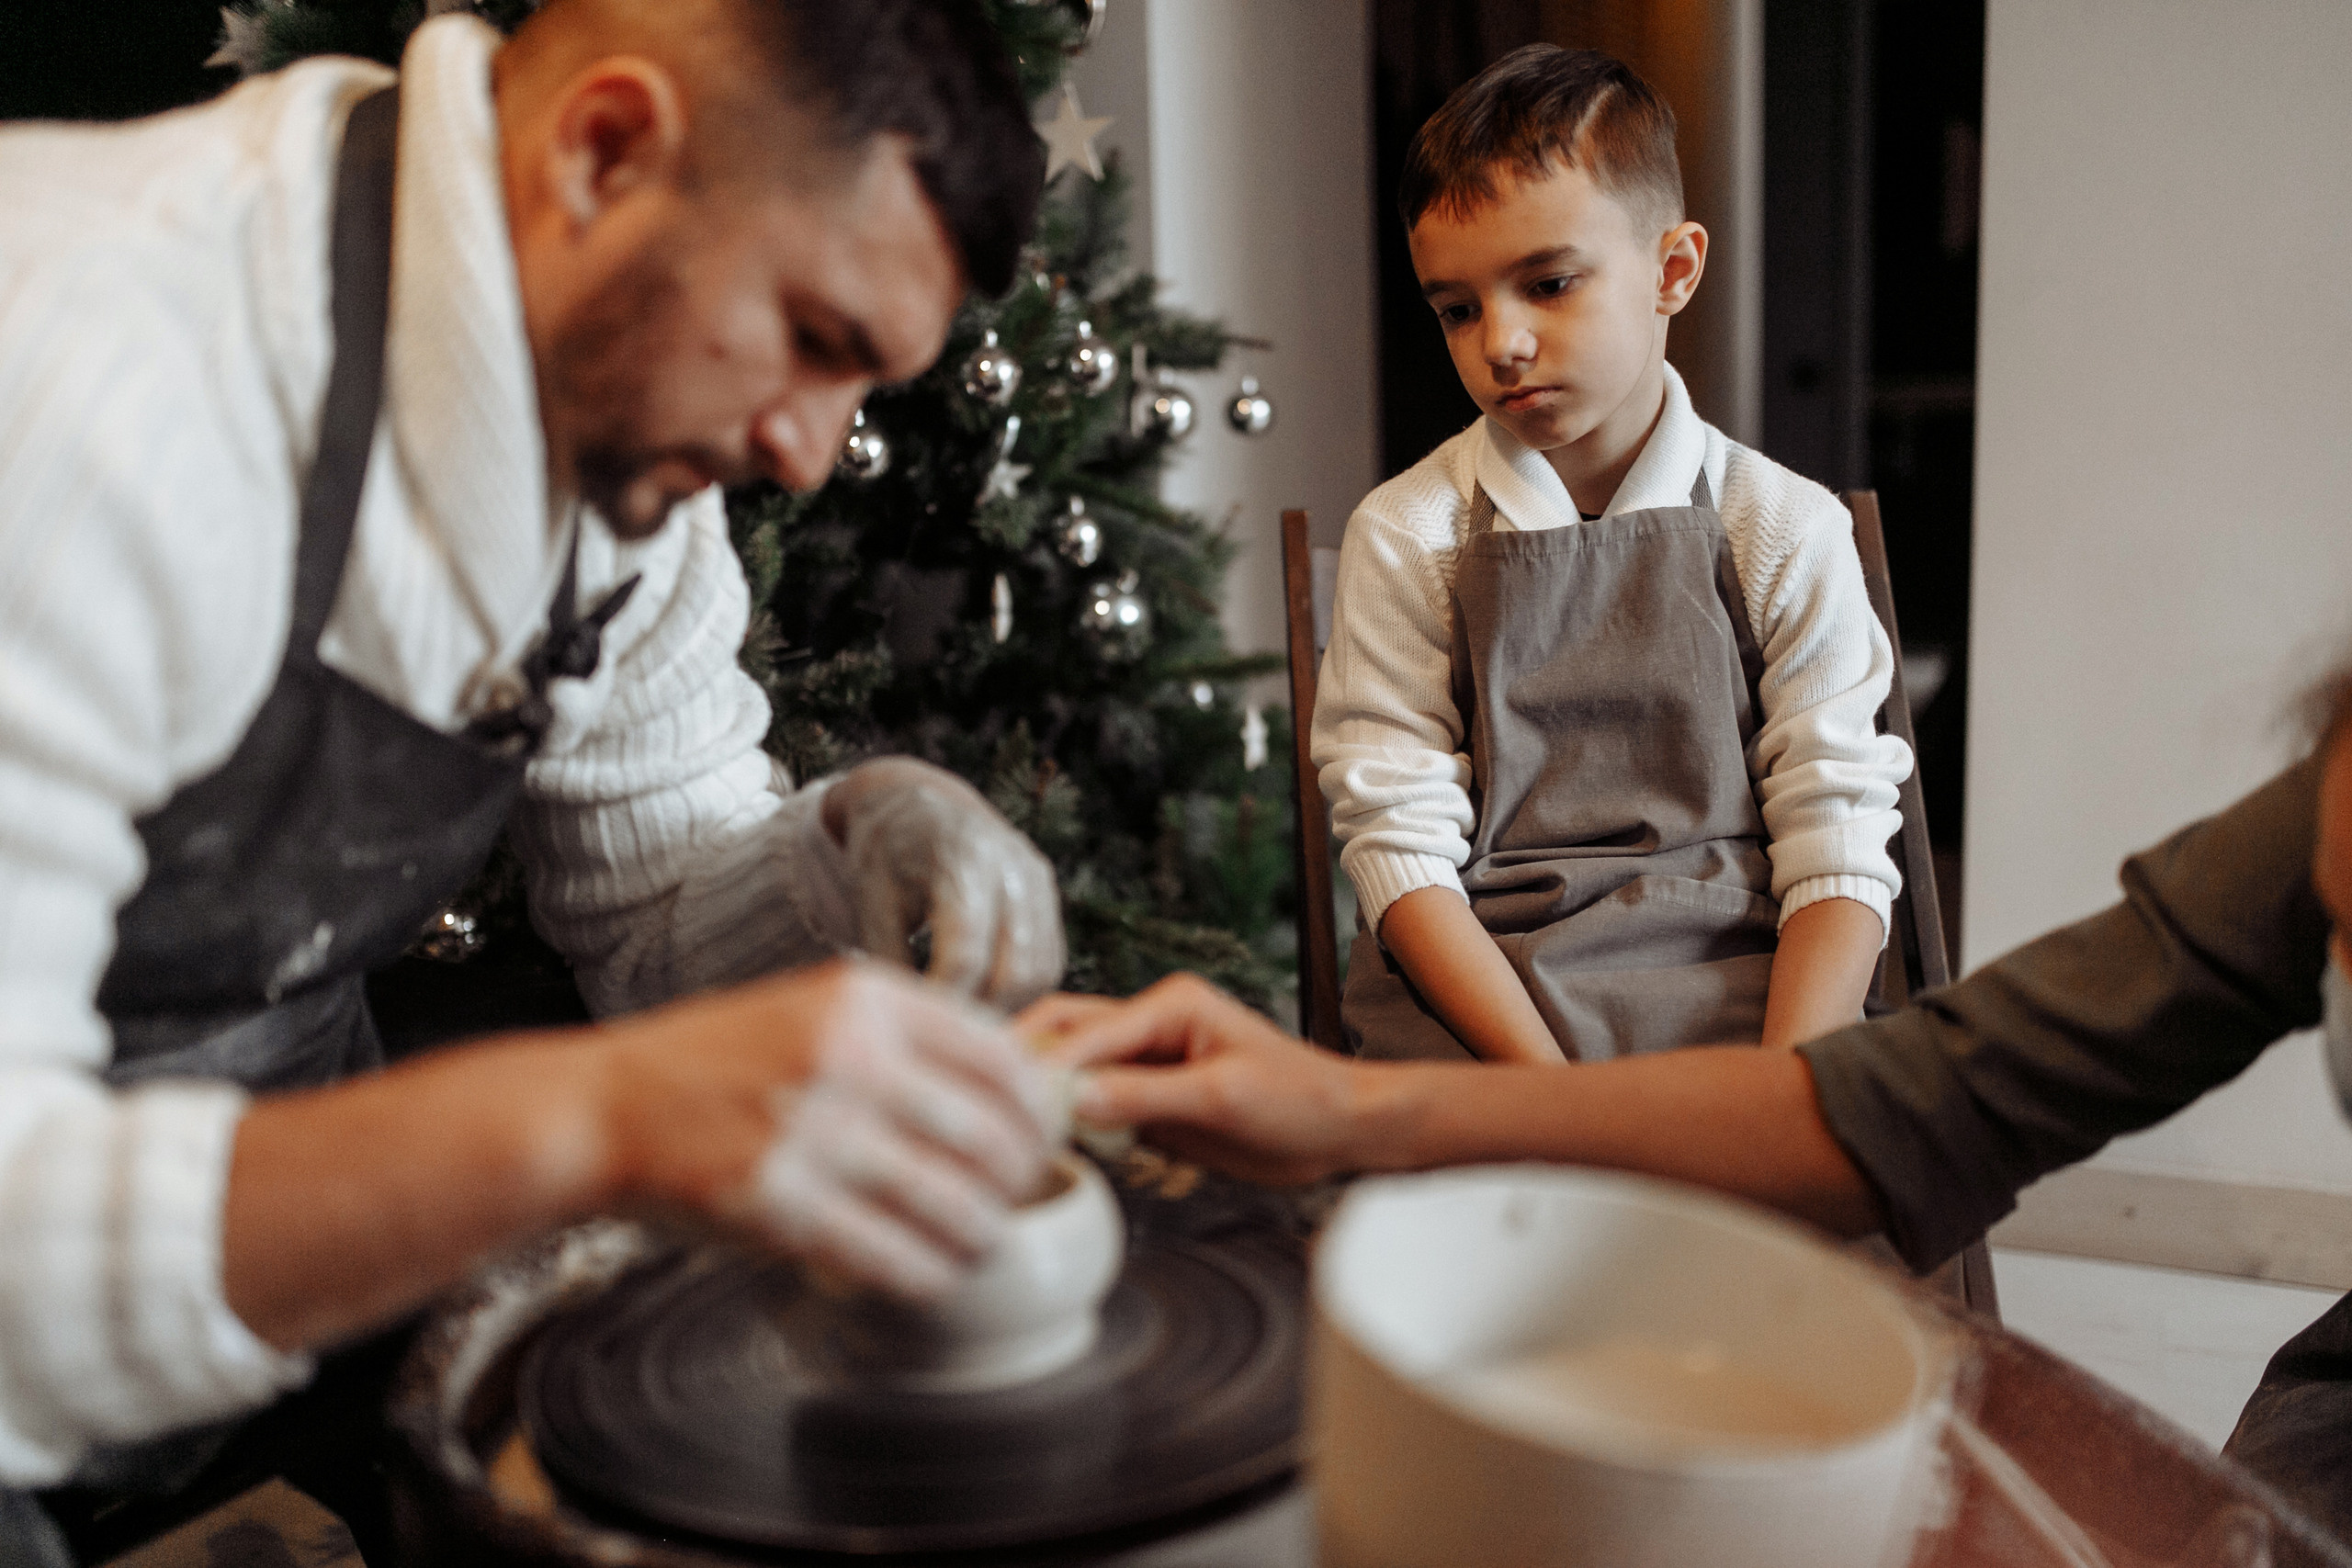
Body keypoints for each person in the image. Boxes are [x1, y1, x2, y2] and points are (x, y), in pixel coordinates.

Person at [0, 0, 1068, 1551]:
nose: (810, 451)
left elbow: (654, 912)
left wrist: (854, 844)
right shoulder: (87, 379)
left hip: (288, 1277)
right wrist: (596, 1119)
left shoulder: (619, 430)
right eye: (813, 337)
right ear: (602, 150)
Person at [1026, 671, 2352, 1533]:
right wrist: (1343, 1108)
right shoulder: (2323, 810)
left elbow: (1838, 838)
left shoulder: (1773, 531)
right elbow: (1932, 1096)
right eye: (2339, 927)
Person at [1317, 44, 1911, 1066]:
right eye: (1457, 309)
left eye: (1548, 283)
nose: (1500, 343)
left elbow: (1837, 831)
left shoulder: (1783, 527)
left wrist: (1777, 1095)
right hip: (1483, 1011)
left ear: (1673, 271)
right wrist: (1557, 1098)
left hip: (1740, 998)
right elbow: (1398, 846)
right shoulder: (1409, 535)